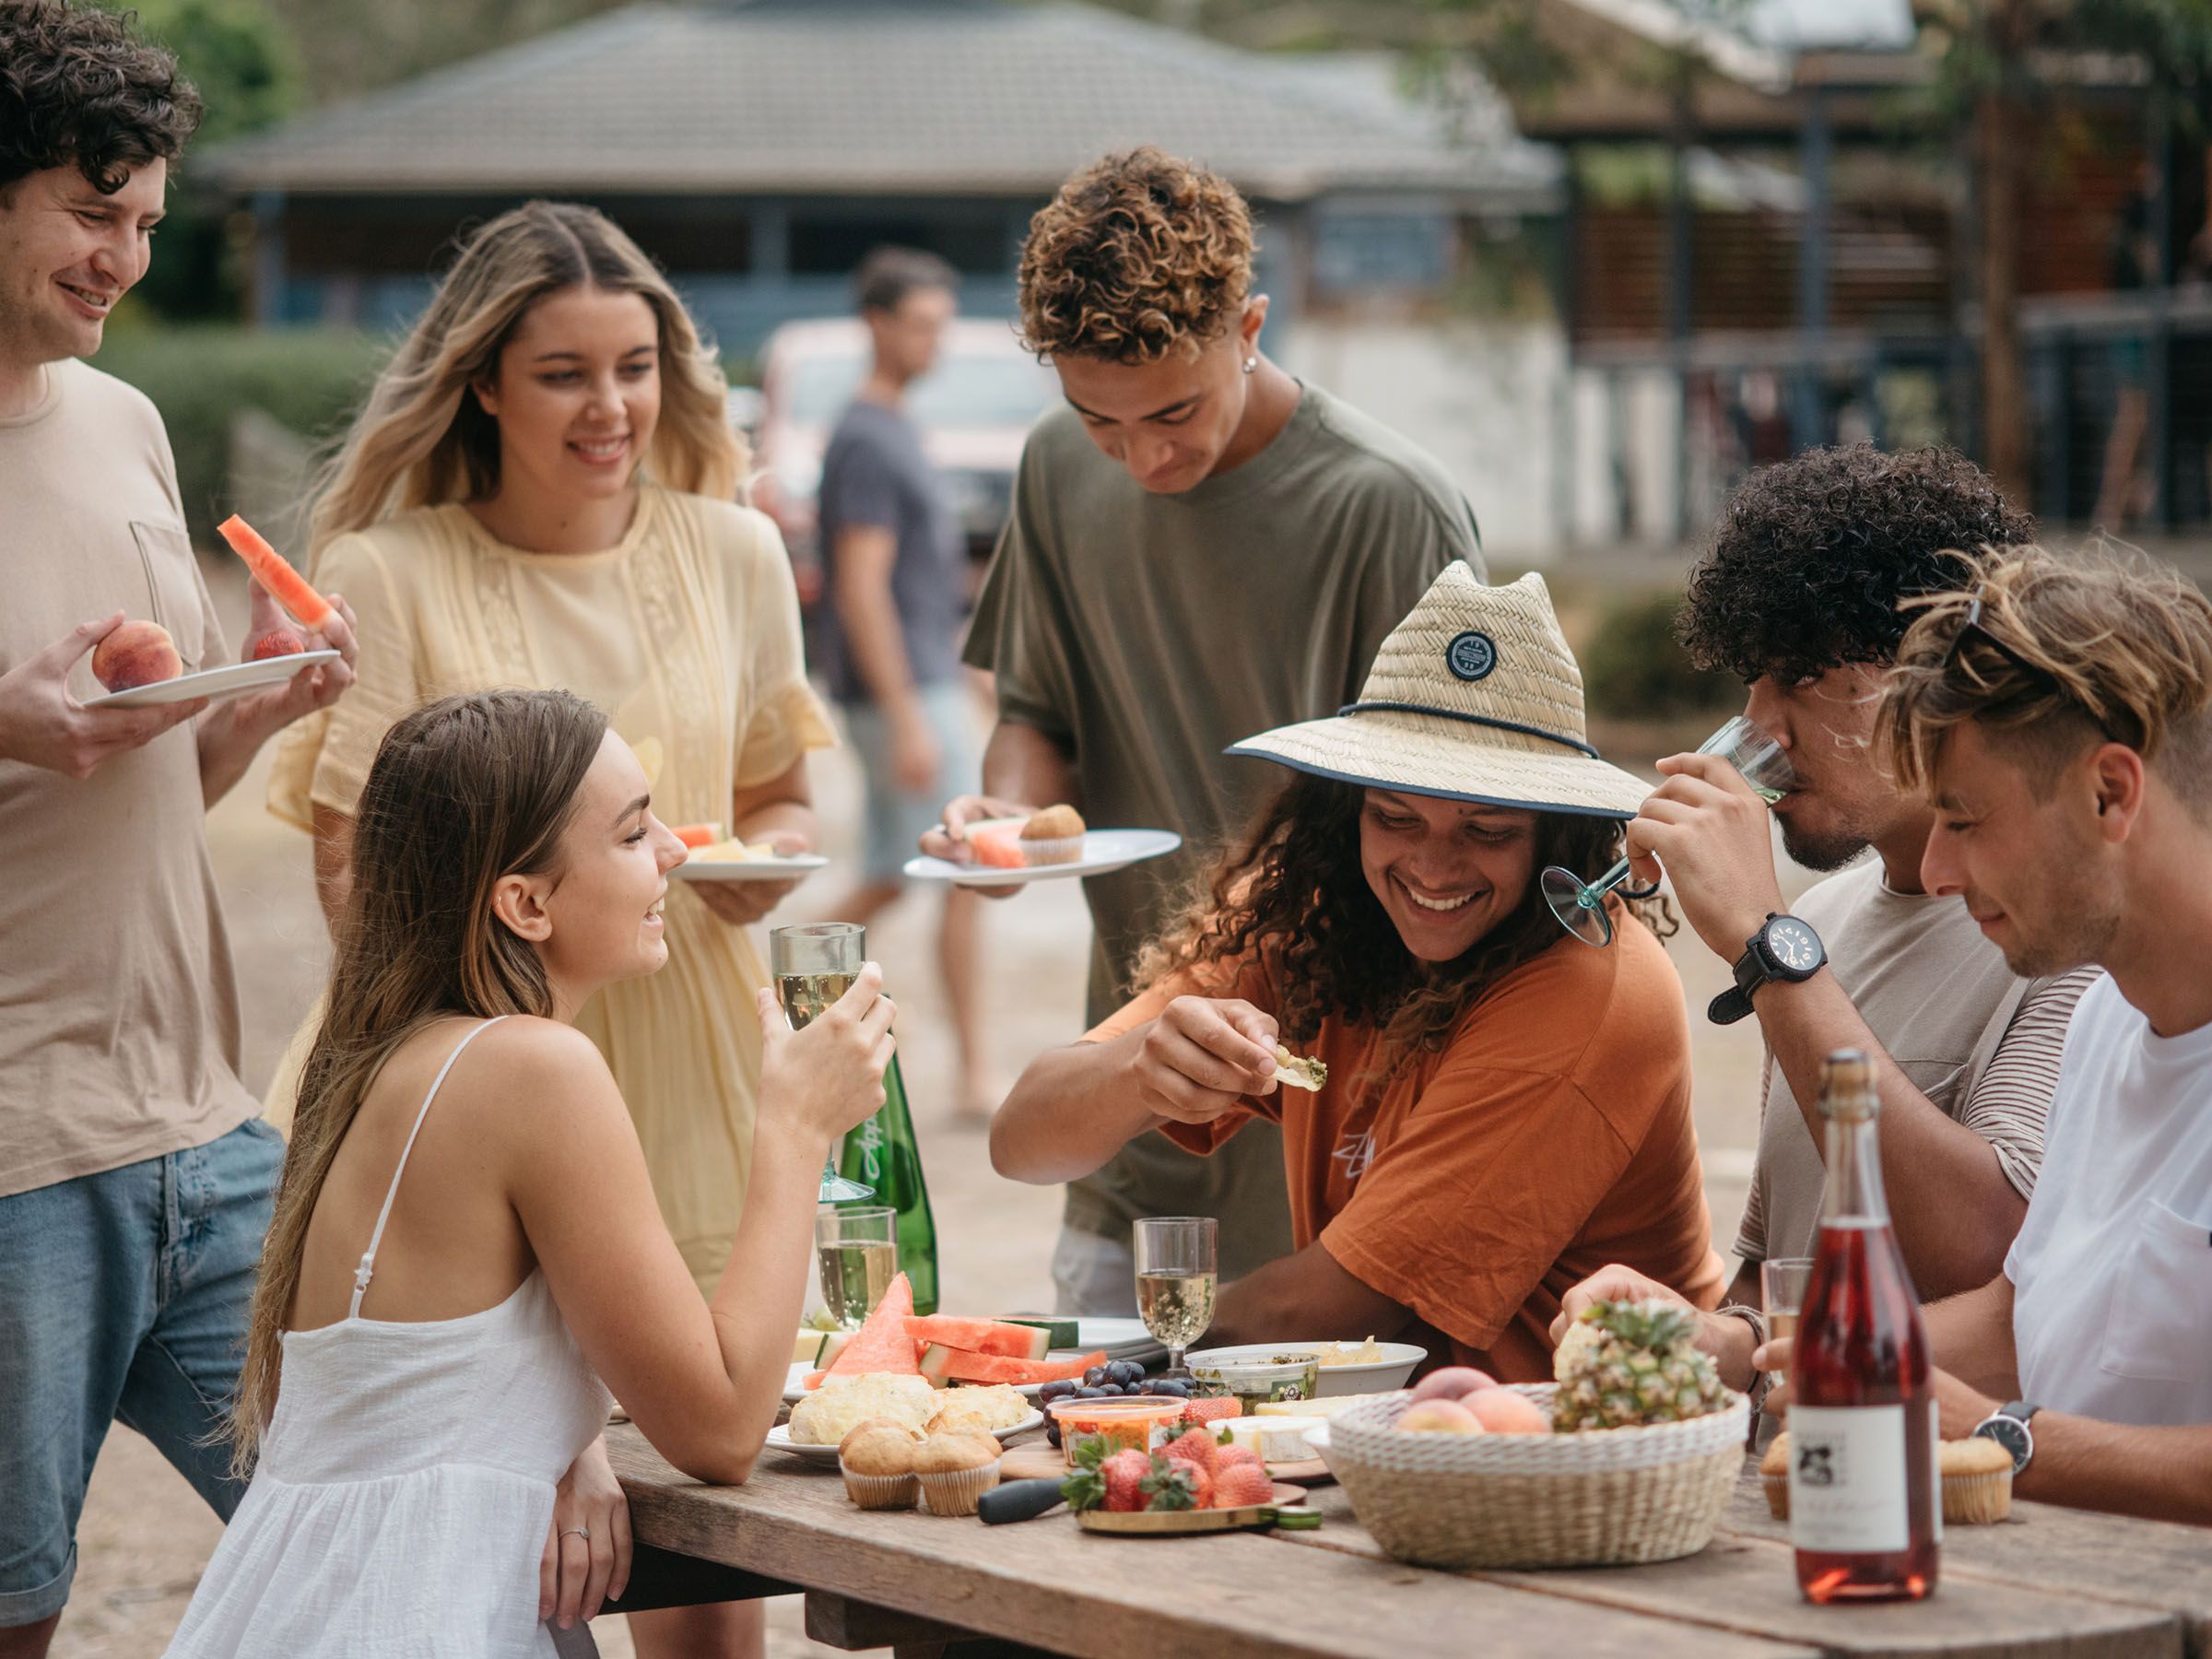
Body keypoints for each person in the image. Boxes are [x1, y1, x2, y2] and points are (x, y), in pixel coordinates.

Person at [261, 198, 830, 1659]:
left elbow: (781, 798)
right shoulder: (389, 568)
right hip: (485, 1059)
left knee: (712, 1580)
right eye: (567, 370)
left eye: (635, 366)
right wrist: (517, 986)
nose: (611, 405)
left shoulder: (736, 549)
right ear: (485, 385)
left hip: (691, 1059)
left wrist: (756, 868)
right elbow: (360, 874)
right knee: (557, 1523)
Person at [163, 688, 897, 1653]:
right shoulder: (534, 1069)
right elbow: (721, 1429)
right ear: (526, 903)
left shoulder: (389, 1058)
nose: (676, 851)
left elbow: (437, 1384)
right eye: (635, 835)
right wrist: (798, 1129)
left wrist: (570, 1444)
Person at [930, 147, 1487, 1314]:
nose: (1143, 456)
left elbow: (1467, 820)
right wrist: (1010, 813)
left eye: (1173, 411)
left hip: (1345, 1143)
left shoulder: (1390, 506)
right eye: (1100, 422)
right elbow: (1034, 710)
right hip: (1131, 1124)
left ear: (1250, 326)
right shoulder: (1050, 472)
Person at [991, 567, 1724, 1378]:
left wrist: (1077, 1368)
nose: (1433, 867)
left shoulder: (1593, 988)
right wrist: (1141, 1070)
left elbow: (1332, 1305)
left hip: (1567, 1455)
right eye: (1395, 817)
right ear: (1347, 817)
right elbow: (1021, 1142)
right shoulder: (1312, 917)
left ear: (1559, 840)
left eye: (1486, 830)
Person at [0, 7, 358, 1654]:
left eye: (146, 221)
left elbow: (146, 783)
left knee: (383, 1532)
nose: (126, 260)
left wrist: (249, 709)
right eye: (94, 212)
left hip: (205, 1135)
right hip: (15, 1160)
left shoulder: (125, 421)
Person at [1559, 446, 2092, 1403]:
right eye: (1753, 680)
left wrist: (1767, 948)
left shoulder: (2067, 931)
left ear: (1939, 676)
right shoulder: (1823, 918)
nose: (1761, 724)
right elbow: (1780, 1283)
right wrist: (1692, 1334)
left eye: (1803, 679)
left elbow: (1990, 1259)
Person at [1760, 544, 2212, 1528]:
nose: (1939, 868)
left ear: (2111, 794)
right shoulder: (2102, 1020)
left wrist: (2003, 1436)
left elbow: (2007, 1405)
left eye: (1962, 819)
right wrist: (1821, 1358)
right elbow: (2029, 1319)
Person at [813, 245, 989, 1119]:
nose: (935, 342)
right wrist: (908, 714)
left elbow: (916, 585)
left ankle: (790, 996)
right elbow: (860, 586)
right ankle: (974, 1076)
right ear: (877, 324)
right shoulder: (868, 439)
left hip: (926, 682)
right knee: (959, 871)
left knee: (896, 869)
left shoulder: (891, 427)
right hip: (902, 693)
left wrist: (961, 678)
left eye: (941, 324)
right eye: (920, 324)